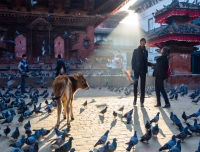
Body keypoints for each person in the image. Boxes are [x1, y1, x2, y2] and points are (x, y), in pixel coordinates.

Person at [131, 38, 151, 107]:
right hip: (136, 70)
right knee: (135, 85)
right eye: (141, 42)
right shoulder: (135, 51)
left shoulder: (146, 51)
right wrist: (133, 68)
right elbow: (133, 60)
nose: (143, 43)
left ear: (145, 43)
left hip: (143, 71)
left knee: (143, 86)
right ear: (140, 42)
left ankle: (142, 101)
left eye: (144, 42)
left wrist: (151, 65)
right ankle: (135, 99)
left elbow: (146, 61)